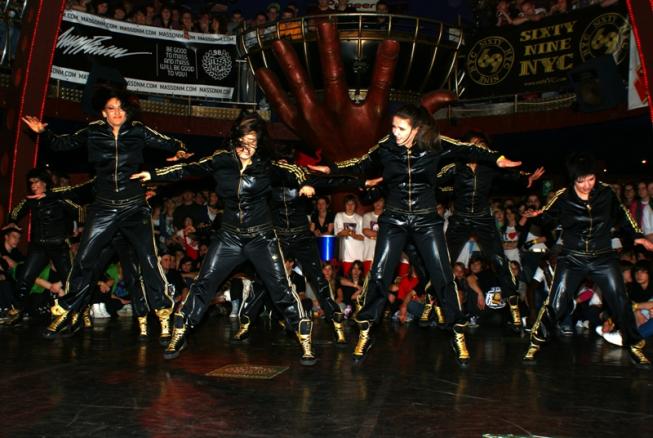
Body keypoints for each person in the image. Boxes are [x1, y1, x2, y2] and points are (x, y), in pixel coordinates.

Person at [314, 104, 521, 366]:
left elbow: (467, 148)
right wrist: (331, 168)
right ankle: (365, 331)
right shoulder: (387, 146)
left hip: (426, 220)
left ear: (416, 129)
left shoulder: (434, 143)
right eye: (393, 127)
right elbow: (360, 162)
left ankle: (457, 333)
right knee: (379, 274)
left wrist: (497, 158)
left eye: (401, 128)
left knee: (442, 275)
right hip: (394, 218)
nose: (395, 132)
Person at [131, 110, 318, 365]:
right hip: (229, 237)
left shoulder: (266, 164)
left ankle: (304, 338)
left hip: (261, 237)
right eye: (243, 141)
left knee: (280, 287)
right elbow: (188, 167)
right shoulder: (221, 159)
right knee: (204, 282)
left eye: (253, 142)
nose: (247, 148)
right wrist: (153, 174)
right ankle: (180, 331)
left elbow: (294, 170)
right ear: (234, 139)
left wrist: (305, 183)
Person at [22, 87, 189, 341]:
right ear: (103, 113)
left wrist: (180, 151)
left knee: (148, 259)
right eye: (112, 108)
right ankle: (67, 310)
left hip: (134, 206)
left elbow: (172, 143)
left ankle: (163, 312)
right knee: (84, 258)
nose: (117, 113)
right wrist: (43, 133)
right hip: (104, 206)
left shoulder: (138, 130)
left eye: (121, 108)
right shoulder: (93, 131)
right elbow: (61, 143)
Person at [523, 152, 653, 369]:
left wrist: (638, 236)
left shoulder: (606, 193)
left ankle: (634, 345)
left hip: (603, 257)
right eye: (581, 181)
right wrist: (539, 216)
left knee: (620, 300)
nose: (586, 185)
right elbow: (548, 216)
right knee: (557, 302)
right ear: (573, 179)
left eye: (591, 179)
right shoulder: (563, 196)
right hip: (572, 257)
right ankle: (536, 341)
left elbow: (623, 215)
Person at [436, 131, 545, 332]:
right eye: (475, 144)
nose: (480, 147)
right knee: (443, 262)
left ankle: (513, 304)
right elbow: (434, 180)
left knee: (499, 260)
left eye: (482, 145)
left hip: (483, 219)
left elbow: (510, 175)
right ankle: (435, 304)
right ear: (466, 147)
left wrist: (526, 178)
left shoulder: (489, 168)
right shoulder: (455, 167)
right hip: (459, 220)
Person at [3, 169, 83, 326]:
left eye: (36, 182)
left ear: (45, 183)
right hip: (38, 245)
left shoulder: (58, 196)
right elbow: (15, 212)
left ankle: (76, 312)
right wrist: (12, 221)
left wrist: (78, 225)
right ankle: (17, 310)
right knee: (25, 277)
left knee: (69, 280)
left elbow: (78, 210)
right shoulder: (31, 200)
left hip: (58, 244)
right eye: (31, 183)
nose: (33, 185)